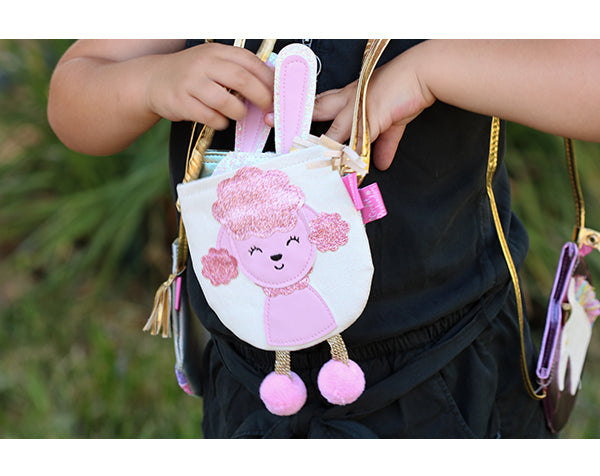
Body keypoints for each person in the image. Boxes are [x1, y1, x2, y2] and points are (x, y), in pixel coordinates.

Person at [47, 39, 600, 438]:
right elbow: (75, 91)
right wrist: (147, 82)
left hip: (447, 365)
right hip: (253, 374)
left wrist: (429, 72)